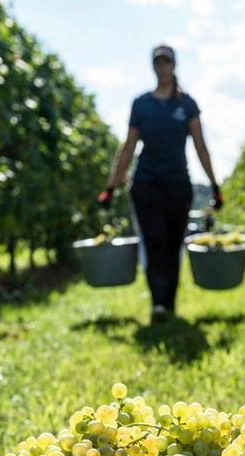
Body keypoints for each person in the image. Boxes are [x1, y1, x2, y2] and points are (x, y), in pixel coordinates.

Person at [98, 44, 223, 323]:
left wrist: (215, 185)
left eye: (166, 62)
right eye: (158, 62)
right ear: (153, 66)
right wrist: (111, 186)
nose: (162, 67)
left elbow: (201, 147)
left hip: (178, 185)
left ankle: (169, 301)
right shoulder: (141, 104)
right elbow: (128, 148)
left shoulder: (186, 104)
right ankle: (158, 303)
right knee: (154, 242)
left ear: (174, 65)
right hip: (146, 184)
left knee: (172, 244)